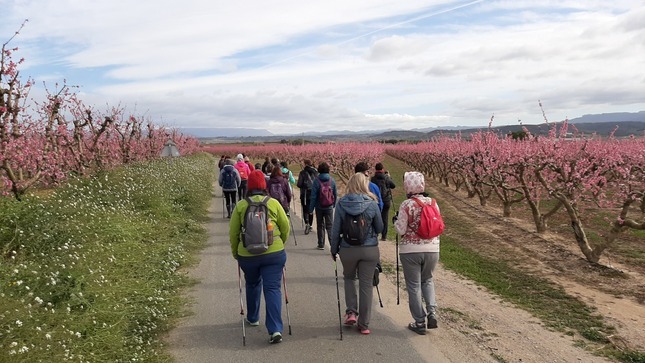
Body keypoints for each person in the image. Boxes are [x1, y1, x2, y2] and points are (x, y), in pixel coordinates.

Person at [229, 170, 291, 344]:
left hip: (247, 254)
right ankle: (275, 330)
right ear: (264, 186)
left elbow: (233, 233)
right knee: (272, 289)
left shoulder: (241, 205)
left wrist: (236, 253)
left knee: (252, 283)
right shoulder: (273, 203)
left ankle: (253, 317)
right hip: (274, 253)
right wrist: (280, 243)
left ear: (249, 187)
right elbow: (285, 227)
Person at [330, 172, 383, 335]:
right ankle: (364, 324)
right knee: (366, 284)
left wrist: (334, 249)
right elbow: (380, 228)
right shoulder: (372, 203)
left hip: (347, 249)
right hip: (369, 249)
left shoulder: (341, 203)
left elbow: (335, 229)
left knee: (349, 278)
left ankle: (351, 312)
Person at [393, 171, 441, 336]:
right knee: (427, 280)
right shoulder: (433, 203)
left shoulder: (406, 204)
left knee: (413, 286)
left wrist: (395, 222)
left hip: (411, 251)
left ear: (408, 186)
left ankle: (419, 321)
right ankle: (432, 312)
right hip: (432, 249)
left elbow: (401, 230)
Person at [308, 162, 337, 250]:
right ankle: (333, 245)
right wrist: (333, 204)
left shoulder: (316, 181)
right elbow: (335, 194)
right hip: (329, 207)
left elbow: (313, 196)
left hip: (319, 206)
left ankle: (321, 244)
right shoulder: (332, 180)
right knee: (330, 226)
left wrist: (311, 209)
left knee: (320, 225)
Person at [371, 162, 396, 240]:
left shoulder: (373, 178)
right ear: (382, 169)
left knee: (375, 217)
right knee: (385, 218)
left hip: (376, 200)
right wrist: (389, 177)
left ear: (375, 169)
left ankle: (375, 233)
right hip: (386, 200)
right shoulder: (386, 177)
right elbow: (393, 185)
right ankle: (384, 236)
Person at [297, 159, 319, 234]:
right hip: (313, 193)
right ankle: (311, 224)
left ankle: (307, 223)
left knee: (305, 209)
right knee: (311, 209)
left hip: (305, 193)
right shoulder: (315, 172)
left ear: (305, 164)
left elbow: (299, 184)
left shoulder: (302, 173)